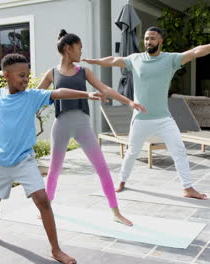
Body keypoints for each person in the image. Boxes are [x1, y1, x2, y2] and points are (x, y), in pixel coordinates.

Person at [0, 53, 106, 264]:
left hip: (25, 160)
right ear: (7, 75)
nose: (26, 79)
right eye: (21, 75)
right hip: (1, 161)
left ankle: (56, 249)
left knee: (42, 201)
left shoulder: (32, 96)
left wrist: (86, 95)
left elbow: (58, 92)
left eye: (27, 75)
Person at [83, 26, 210, 199]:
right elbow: (113, 60)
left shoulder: (170, 59)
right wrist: (95, 61)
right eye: (147, 38)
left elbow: (194, 52)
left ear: (160, 41)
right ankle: (121, 181)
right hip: (140, 118)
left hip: (163, 118)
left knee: (179, 151)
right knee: (132, 152)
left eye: (153, 38)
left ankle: (188, 188)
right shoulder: (135, 59)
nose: (149, 41)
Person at [36, 29, 146, 226]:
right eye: (79, 48)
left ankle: (116, 212)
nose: (81, 52)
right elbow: (34, 97)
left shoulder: (84, 71)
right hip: (61, 125)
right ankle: (46, 208)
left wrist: (129, 102)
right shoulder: (51, 73)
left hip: (83, 125)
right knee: (54, 170)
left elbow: (106, 89)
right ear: (68, 49)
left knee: (102, 168)